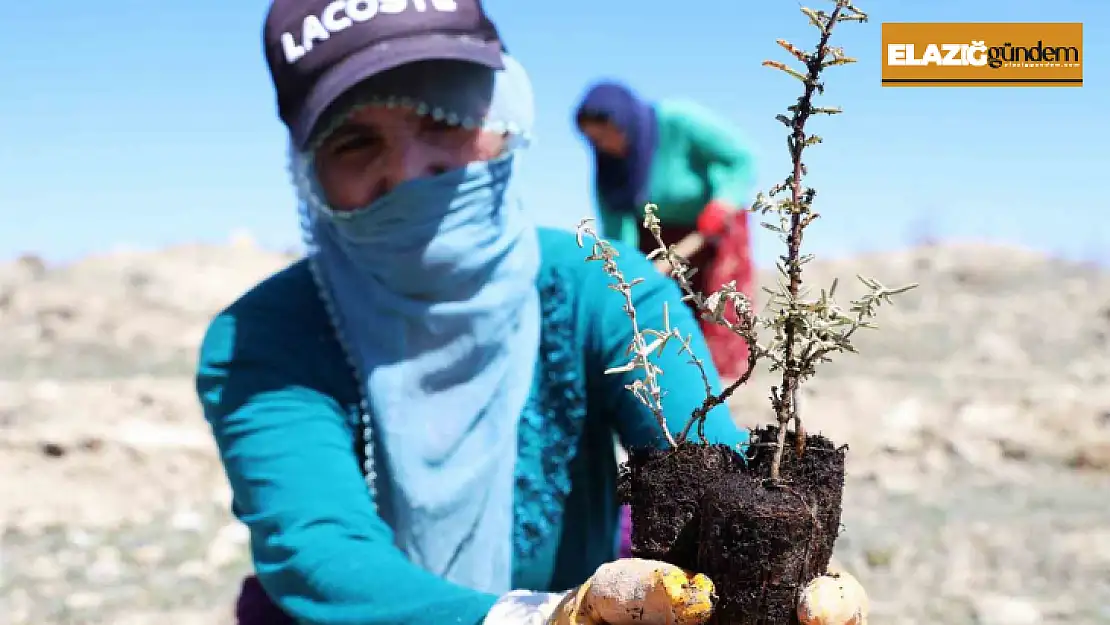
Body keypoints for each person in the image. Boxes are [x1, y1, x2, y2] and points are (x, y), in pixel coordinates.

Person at [196, 1, 869, 624]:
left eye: (444, 115)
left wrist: (770, 573)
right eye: (354, 143)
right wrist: (540, 617)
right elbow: (322, 556)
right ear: (310, 172)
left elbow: (703, 468)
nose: (412, 169)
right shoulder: (263, 337)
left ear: (505, 114)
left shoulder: (604, 289)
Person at [574, 81, 758, 379]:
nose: (605, 144)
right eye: (595, 140)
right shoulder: (610, 172)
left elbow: (740, 158)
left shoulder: (678, 121)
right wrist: (630, 271)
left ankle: (726, 389)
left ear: (625, 121)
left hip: (711, 228)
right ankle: (675, 383)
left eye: (608, 133)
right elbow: (619, 230)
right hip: (658, 240)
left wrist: (723, 202)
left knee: (719, 311)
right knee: (662, 316)